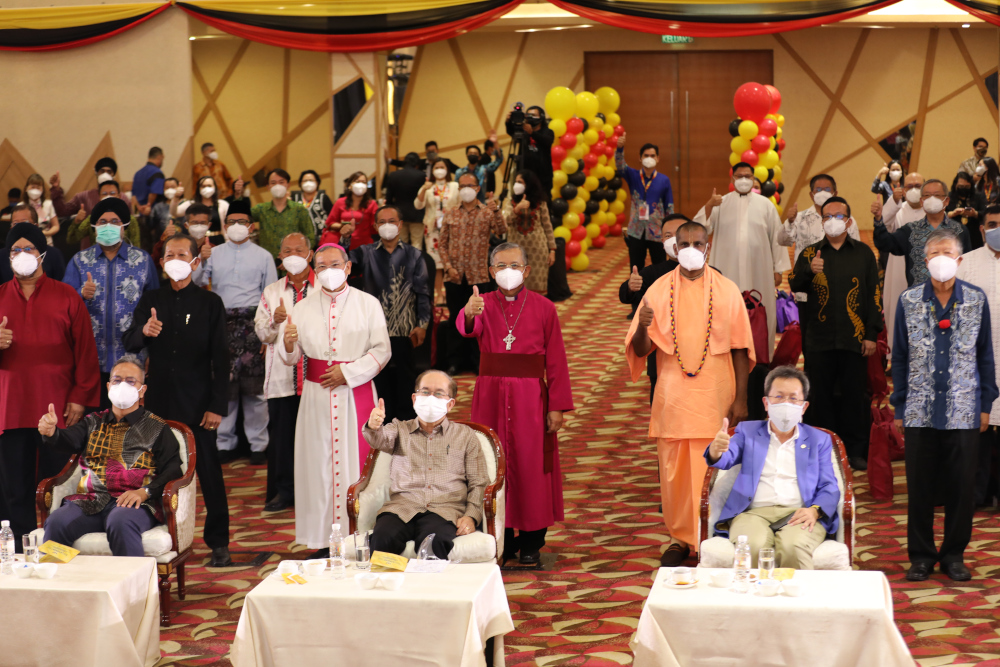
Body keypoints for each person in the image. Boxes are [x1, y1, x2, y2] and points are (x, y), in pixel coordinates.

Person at [625, 221, 754, 567]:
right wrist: (642, 326)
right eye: (684, 244)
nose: (691, 249)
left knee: (717, 467)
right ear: (674, 248)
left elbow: (741, 348)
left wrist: (742, 399)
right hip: (674, 395)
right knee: (675, 472)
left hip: (716, 395)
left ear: (708, 247)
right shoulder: (657, 290)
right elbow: (641, 349)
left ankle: (713, 536)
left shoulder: (727, 290)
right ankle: (680, 538)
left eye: (698, 243)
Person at [892, 227, 998, 582]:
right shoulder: (908, 300)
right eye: (934, 254)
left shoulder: (976, 300)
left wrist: (985, 404)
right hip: (919, 409)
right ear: (925, 261)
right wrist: (900, 406)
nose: (941, 259)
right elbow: (900, 357)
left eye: (947, 253)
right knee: (920, 488)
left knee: (961, 489)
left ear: (959, 260)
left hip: (963, 409)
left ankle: (954, 554)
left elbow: (985, 356)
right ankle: (921, 555)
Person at [458, 242, 572, 565]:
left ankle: (533, 541)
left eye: (514, 265)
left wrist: (556, 406)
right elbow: (468, 329)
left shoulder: (544, 307)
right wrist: (469, 313)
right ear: (491, 271)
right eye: (501, 266)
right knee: (491, 463)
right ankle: (502, 537)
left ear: (527, 270)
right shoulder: (481, 303)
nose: (508, 272)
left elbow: (557, 361)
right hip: (490, 395)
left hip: (530, 399)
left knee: (531, 465)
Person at [123, 233, 233, 567]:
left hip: (199, 405)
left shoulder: (210, 303)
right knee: (158, 472)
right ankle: (162, 537)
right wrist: (144, 331)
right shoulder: (152, 298)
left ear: (195, 261)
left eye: (182, 254)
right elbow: (130, 340)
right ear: (161, 262)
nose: (175, 260)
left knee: (209, 474)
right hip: (158, 403)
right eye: (169, 255)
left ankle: (219, 543)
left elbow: (222, 359)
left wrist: (217, 405)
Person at [277, 243, 390, 554]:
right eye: (322, 266)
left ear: (348, 267)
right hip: (316, 397)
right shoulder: (302, 308)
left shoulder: (368, 304)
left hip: (356, 393)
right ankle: (324, 540)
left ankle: (362, 535)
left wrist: (347, 372)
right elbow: (290, 358)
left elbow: (382, 350)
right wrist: (288, 344)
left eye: (335, 264)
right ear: (315, 271)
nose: (329, 271)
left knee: (358, 465)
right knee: (317, 467)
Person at [0, 222, 100, 546]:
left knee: (60, 485)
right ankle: (20, 553)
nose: (21, 255)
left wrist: (80, 397)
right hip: (11, 409)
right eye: (15, 250)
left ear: (42, 253)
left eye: (28, 248)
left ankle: (60, 548)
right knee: (16, 488)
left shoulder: (67, 295)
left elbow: (85, 351)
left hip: (57, 408)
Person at [39, 355, 182, 557]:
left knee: (120, 521)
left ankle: (133, 579)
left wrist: (145, 492)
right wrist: (52, 432)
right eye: (117, 380)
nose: (122, 385)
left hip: (135, 503)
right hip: (91, 500)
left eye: (130, 381)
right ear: (108, 386)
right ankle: (60, 576)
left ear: (142, 390)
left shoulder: (157, 427)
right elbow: (67, 440)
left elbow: (173, 469)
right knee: (57, 522)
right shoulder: (93, 422)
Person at [705, 366, 840, 570]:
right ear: (766, 403)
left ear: (804, 406)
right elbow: (726, 458)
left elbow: (829, 486)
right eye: (779, 396)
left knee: (793, 547)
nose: (786, 403)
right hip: (752, 513)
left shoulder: (818, 440)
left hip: (799, 512)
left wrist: (815, 511)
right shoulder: (748, 432)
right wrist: (717, 450)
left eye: (793, 398)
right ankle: (752, 592)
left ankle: (795, 592)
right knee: (752, 546)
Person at [789, 197, 881, 471]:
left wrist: (871, 334)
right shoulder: (810, 254)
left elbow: (873, 295)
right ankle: (824, 450)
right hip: (819, 338)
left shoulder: (863, 253)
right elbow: (795, 285)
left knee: (854, 396)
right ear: (822, 221)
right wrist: (809, 271)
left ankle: (855, 450)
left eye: (838, 216)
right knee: (821, 397)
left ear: (848, 221)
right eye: (827, 216)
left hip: (855, 338)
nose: (832, 221)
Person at [364, 370, 489, 559]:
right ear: (414, 399)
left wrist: (471, 516)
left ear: (451, 404)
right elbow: (378, 439)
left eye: (438, 393)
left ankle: (428, 579)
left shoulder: (465, 436)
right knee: (382, 538)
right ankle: (387, 579)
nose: (431, 398)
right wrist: (373, 426)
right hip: (402, 507)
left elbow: (478, 482)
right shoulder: (399, 429)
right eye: (425, 392)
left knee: (434, 541)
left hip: (445, 510)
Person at [194, 199, 277, 465]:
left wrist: (268, 334)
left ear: (251, 226)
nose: (237, 226)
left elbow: (271, 295)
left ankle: (259, 445)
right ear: (225, 225)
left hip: (254, 324)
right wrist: (201, 259)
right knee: (224, 387)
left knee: (255, 391)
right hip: (221, 323)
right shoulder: (213, 253)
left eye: (242, 222)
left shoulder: (264, 256)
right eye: (232, 222)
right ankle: (224, 444)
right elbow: (196, 281)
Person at [63, 197, 159, 410]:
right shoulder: (79, 261)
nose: (109, 226)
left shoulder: (143, 261)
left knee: (129, 422)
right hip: (89, 361)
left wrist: (152, 352)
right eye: (103, 222)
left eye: (115, 221)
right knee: (94, 422)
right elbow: (62, 307)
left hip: (132, 361)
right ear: (95, 226)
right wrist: (81, 294)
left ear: (124, 226)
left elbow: (154, 310)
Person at [694, 162, 789, 358]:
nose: (744, 180)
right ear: (732, 179)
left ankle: (761, 358)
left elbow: (776, 238)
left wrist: (778, 269)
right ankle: (724, 357)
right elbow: (700, 229)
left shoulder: (766, 205)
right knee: (725, 313)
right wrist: (709, 205)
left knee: (762, 312)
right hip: (727, 271)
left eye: (748, 176)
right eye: (740, 176)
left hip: (759, 271)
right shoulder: (720, 203)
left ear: (754, 179)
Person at [350, 205, 430, 422]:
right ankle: (381, 423)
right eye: (382, 222)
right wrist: (345, 239)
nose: (388, 226)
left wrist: (422, 324)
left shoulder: (414, 255)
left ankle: (406, 422)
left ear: (400, 225)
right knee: (378, 378)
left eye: (392, 221)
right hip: (374, 330)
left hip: (405, 329)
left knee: (406, 377)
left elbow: (423, 293)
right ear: (375, 226)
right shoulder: (365, 253)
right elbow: (343, 263)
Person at [254, 232, 315, 512]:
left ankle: (315, 491)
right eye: (287, 251)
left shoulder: (323, 288)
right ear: (280, 257)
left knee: (315, 438)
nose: (293, 256)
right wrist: (274, 322)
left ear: (309, 254)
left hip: (317, 379)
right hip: (282, 379)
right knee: (282, 439)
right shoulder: (272, 291)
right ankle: (284, 491)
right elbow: (262, 333)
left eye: (299, 250)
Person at [778, 174, 861, 341]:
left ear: (835, 192)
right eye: (818, 189)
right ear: (811, 194)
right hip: (807, 291)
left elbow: (856, 252)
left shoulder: (847, 220)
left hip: (840, 289)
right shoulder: (800, 218)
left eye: (827, 189)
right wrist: (790, 221)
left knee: (840, 336)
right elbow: (783, 240)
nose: (823, 192)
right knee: (810, 338)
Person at [955, 204, 1000, 508]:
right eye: (993, 224)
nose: (998, 230)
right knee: (978, 431)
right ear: (982, 229)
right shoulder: (965, 263)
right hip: (975, 360)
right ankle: (976, 495)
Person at [439, 173, 506, 375]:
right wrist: (448, 266)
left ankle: (478, 361)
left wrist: (496, 210)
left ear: (477, 188)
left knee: (479, 319)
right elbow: (442, 244)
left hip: (479, 276)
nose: (466, 189)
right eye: (462, 186)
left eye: (470, 185)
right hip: (454, 275)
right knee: (455, 318)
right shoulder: (451, 213)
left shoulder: (486, 212)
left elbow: (502, 231)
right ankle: (454, 361)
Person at [618, 214, 684, 402]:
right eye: (667, 236)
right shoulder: (654, 273)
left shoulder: (710, 274)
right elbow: (625, 295)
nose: (673, 240)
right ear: (662, 241)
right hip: (661, 357)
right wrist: (631, 287)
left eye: (678, 234)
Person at [874, 179, 972, 288]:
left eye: (937, 195)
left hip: (952, 293)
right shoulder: (910, 230)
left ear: (946, 201)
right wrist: (878, 220)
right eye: (927, 196)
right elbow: (885, 243)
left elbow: (968, 265)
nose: (932, 199)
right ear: (921, 201)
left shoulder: (960, 231)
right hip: (919, 294)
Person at [873, 171, 925, 350]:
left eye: (918, 186)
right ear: (903, 190)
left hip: (925, 269)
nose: (914, 190)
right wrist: (894, 202)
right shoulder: (897, 209)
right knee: (897, 309)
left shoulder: (931, 211)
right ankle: (896, 354)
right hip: (898, 267)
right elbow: (885, 224)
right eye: (910, 186)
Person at [615, 133, 674, 273]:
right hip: (636, 230)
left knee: (660, 268)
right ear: (640, 158)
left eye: (652, 156)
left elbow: (669, 207)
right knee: (636, 268)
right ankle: (637, 288)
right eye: (646, 155)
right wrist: (620, 148)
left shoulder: (664, 180)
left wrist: (669, 231)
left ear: (658, 158)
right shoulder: (633, 176)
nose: (649, 158)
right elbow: (620, 166)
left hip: (657, 231)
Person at [502, 170, 556, 292]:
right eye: (516, 182)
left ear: (529, 184)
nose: (516, 185)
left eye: (520, 182)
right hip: (516, 250)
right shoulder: (511, 202)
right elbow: (505, 222)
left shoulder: (540, 202)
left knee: (537, 286)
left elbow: (547, 226)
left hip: (537, 251)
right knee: (516, 286)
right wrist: (517, 209)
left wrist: (552, 250)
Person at [246, 168, 315, 258]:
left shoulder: (299, 209)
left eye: (281, 182)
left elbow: (310, 237)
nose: (277, 186)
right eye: (273, 183)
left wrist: (298, 254)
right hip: (267, 259)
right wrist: (239, 195)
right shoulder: (261, 209)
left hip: (292, 259)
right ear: (268, 187)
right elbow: (241, 217)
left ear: (288, 185)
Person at [414, 158, 459, 277]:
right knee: (435, 261)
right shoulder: (428, 187)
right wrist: (424, 189)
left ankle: (448, 286)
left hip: (451, 228)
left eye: (442, 167)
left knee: (451, 260)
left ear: (447, 170)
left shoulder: (455, 186)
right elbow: (418, 205)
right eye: (436, 167)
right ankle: (437, 288)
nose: (439, 170)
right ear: (432, 170)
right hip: (432, 229)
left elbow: (461, 205)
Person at [66, 180, 142, 249]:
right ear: (99, 197)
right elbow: (71, 239)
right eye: (104, 194)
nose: (108, 196)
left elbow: (136, 247)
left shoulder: (129, 220)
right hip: (97, 258)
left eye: (112, 193)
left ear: (119, 196)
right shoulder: (92, 219)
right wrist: (76, 222)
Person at [0, 204, 66, 283]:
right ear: (11, 227)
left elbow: (61, 285)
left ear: (36, 226)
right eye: (15, 224)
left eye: (25, 223)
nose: (20, 228)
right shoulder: (1, 256)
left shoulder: (54, 254)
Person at [49, 157, 120, 221]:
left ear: (113, 175)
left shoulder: (122, 197)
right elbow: (62, 212)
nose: (105, 174)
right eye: (102, 171)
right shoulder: (83, 196)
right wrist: (56, 189)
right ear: (96, 173)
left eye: (109, 172)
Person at [322, 172, 377, 250]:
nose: (360, 184)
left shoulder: (372, 204)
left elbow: (375, 227)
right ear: (349, 186)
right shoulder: (340, 202)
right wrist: (342, 226)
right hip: (343, 245)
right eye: (357, 182)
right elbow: (330, 223)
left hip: (365, 246)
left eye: (364, 182)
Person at [505, 106, 554, 193]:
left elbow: (547, 141)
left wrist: (532, 133)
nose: (530, 118)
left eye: (533, 115)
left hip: (542, 176)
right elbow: (512, 132)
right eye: (528, 115)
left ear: (541, 117)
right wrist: (508, 122)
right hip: (525, 174)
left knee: (543, 198)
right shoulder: (523, 132)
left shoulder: (548, 132)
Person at [172, 175, 230, 247]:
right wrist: (176, 197)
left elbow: (228, 226)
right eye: (203, 186)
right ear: (198, 189)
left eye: (209, 186)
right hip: (197, 241)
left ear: (214, 187)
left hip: (218, 241)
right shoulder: (191, 204)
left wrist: (228, 241)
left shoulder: (223, 204)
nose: (206, 188)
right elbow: (174, 212)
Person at [384, 153, 427, 249]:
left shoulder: (393, 175)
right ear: (417, 164)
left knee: (401, 243)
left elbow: (388, 198)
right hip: (417, 214)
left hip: (399, 214)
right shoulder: (421, 175)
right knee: (417, 244)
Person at [454, 136, 502, 203]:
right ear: (466, 156)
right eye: (470, 153)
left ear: (479, 157)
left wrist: (496, 144)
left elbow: (498, 161)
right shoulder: (459, 172)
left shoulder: (484, 170)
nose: (472, 155)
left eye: (475, 154)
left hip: (480, 204)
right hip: (464, 204)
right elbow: (456, 190)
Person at [291, 170, 333, 242]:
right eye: (305, 180)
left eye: (311, 180)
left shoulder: (323, 197)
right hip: (300, 240)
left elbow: (332, 217)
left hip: (322, 239)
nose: (308, 183)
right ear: (300, 183)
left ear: (317, 182)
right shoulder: (295, 198)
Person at [948, 171, 987, 250]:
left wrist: (975, 214)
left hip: (974, 236)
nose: (964, 188)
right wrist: (952, 214)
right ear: (955, 185)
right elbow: (941, 214)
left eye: (967, 186)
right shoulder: (949, 197)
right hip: (952, 235)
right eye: (961, 186)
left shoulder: (978, 196)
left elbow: (986, 213)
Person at [22, 173, 58, 246]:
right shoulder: (20, 206)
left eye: (38, 188)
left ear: (42, 190)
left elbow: (56, 226)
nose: (35, 190)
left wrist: (46, 233)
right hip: (25, 244)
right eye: (32, 187)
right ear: (26, 188)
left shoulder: (48, 204)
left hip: (46, 243)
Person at [389, 141, 458, 175]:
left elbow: (458, 171)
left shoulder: (445, 162)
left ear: (437, 151)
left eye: (433, 151)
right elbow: (404, 163)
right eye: (429, 151)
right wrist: (389, 160)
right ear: (426, 152)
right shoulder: (420, 163)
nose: (431, 153)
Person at [132, 147, 165, 217]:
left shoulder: (138, 173)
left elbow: (133, 195)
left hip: (141, 213)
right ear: (160, 156)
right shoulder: (157, 173)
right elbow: (153, 193)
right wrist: (148, 206)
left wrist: (139, 208)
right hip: (153, 212)